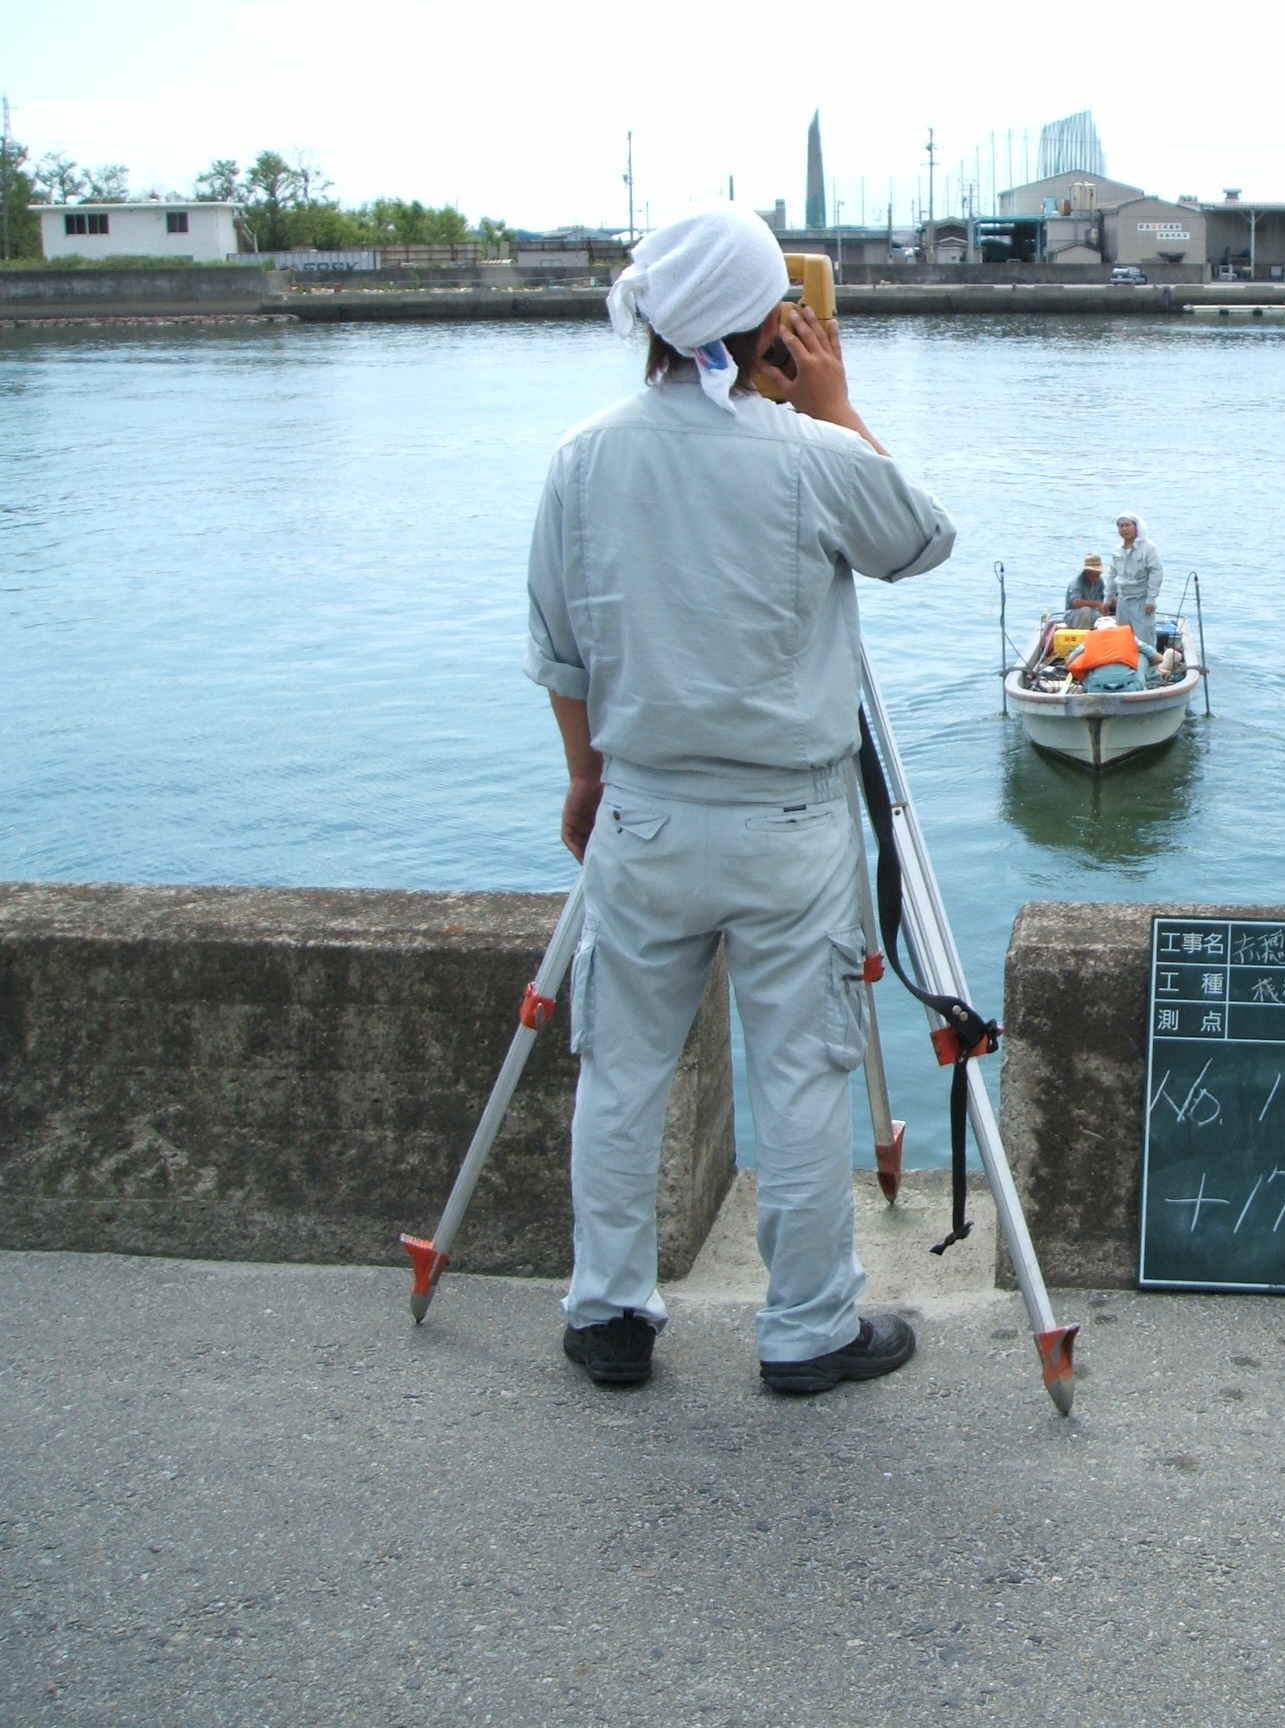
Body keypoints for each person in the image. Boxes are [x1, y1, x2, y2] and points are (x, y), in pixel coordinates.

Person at [523, 203, 956, 1394]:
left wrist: (586, 778)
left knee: (620, 1072)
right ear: (773, 316)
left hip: (645, 811)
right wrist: (832, 405)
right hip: (789, 821)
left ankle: (609, 1313)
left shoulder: (583, 457)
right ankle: (808, 1329)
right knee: (801, 1078)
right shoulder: (810, 456)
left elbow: (560, 652)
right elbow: (919, 542)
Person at [1110, 511, 1164, 652]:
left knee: (1144, 638)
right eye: (1121, 526)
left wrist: (1151, 599)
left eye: (1127, 525)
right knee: (1122, 637)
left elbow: (1156, 573)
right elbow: (1112, 575)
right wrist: (1108, 598)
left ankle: (1149, 670)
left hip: (1141, 600)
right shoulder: (1117, 550)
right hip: (1123, 600)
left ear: (1136, 527)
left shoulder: (1149, 548)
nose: (1124, 529)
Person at [1064, 615, 1153, 691]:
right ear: (1116, 627)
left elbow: (1069, 662)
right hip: (1129, 687)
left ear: (1096, 630)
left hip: (1095, 689)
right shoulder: (1131, 638)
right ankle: (1148, 681)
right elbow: (1157, 657)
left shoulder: (1088, 641)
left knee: (1084, 660)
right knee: (1142, 655)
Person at [1062, 553, 1109, 628]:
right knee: (1085, 610)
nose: (1098, 576)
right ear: (1088, 572)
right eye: (1096, 574)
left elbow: (1105, 596)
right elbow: (1076, 602)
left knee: (1107, 617)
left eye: (1099, 574)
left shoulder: (1099, 581)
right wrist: (1097, 604)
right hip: (1073, 615)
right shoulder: (1077, 582)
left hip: (1092, 613)